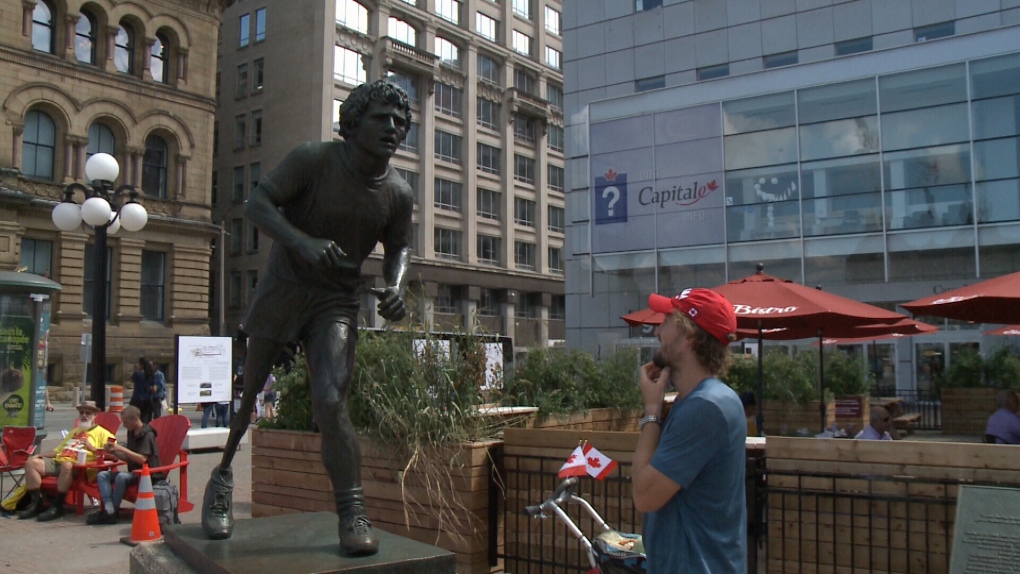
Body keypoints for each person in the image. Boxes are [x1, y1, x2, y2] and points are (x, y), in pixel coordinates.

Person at [201, 79, 413, 557]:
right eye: (382, 118)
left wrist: (396, 288)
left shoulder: (398, 192)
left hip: (335, 300)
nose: (393, 128)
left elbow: (399, 248)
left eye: (400, 122)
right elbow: (257, 204)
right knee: (251, 389)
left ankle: (351, 511)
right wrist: (302, 242)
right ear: (354, 122)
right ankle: (222, 477)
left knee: (331, 401)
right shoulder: (313, 159)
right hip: (286, 286)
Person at [634, 288, 746, 574]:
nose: (658, 330)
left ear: (689, 336)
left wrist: (651, 411)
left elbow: (644, 496)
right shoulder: (702, 400)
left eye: (667, 320)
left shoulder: (705, 408)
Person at [17, 401, 115, 521]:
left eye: (88, 413)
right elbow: (57, 451)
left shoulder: (103, 434)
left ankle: (58, 506)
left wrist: (92, 448)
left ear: (95, 416)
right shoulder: (74, 432)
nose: (84, 415)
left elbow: (113, 456)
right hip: (59, 462)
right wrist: (39, 455)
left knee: (67, 464)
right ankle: (37, 503)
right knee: (31, 462)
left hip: (79, 469)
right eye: (81, 413)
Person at [86, 405, 162, 525]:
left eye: (126, 422)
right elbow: (129, 458)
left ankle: (114, 512)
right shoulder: (131, 432)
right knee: (102, 475)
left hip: (146, 474)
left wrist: (121, 448)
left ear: (135, 419)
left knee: (121, 477)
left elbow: (142, 459)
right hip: (133, 472)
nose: (124, 425)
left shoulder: (147, 434)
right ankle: (109, 508)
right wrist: (113, 452)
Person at [129, 358, 153, 423]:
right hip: (147, 399)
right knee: (145, 418)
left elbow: (131, 380)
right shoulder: (150, 374)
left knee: (134, 418)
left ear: (142, 365)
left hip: (137, 398)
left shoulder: (137, 373)